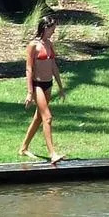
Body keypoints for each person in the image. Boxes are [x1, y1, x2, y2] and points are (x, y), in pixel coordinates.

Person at [20, 15, 67, 164]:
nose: (54, 31)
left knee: (38, 118)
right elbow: (28, 69)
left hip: (48, 84)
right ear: (45, 28)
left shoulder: (49, 44)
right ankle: (52, 154)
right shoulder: (33, 45)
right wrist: (29, 92)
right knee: (47, 117)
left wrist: (60, 86)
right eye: (52, 29)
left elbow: (53, 66)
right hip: (37, 85)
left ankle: (23, 148)